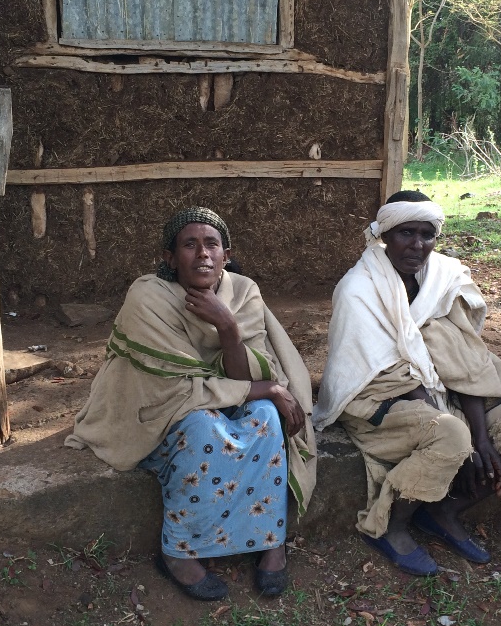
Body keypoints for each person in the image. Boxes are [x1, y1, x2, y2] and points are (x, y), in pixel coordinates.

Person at [65, 207, 317, 601]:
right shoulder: (148, 295)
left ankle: (271, 542)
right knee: (202, 426)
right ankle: (179, 552)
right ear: (169, 258)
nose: (203, 254)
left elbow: (242, 376)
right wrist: (266, 388)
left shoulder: (243, 291)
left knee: (267, 417)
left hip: (219, 393)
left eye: (212, 244)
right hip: (158, 406)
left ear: (226, 255)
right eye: (189, 245)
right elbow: (173, 386)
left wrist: (228, 326)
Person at [315, 191, 501, 576]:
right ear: (385, 234)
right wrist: (460, 440)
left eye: (427, 235)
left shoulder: (443, 282)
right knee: (449, 435)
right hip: (377, 399)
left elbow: (466, 363)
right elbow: (390, 373)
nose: (417, 245)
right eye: (406, 233)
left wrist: (480, 439)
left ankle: (443, 511)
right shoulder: (358, 290)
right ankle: (388, 526)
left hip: (443, 394)